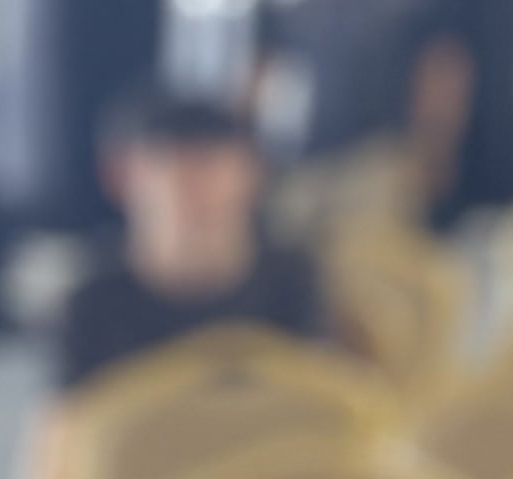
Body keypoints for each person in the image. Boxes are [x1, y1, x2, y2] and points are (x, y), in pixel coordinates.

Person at [54, 86, 325, 390]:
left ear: (255, 175)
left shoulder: (296, 284)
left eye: (211, 165)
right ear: (119, 178)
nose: (199, 189)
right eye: (177, 168)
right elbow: (76, 417)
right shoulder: (92, 308)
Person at [253, 0, 471, 219]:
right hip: (311, 160)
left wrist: (436, 151)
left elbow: (444, 73)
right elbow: (262, 76)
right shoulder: (305, 8)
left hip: (385, 155)